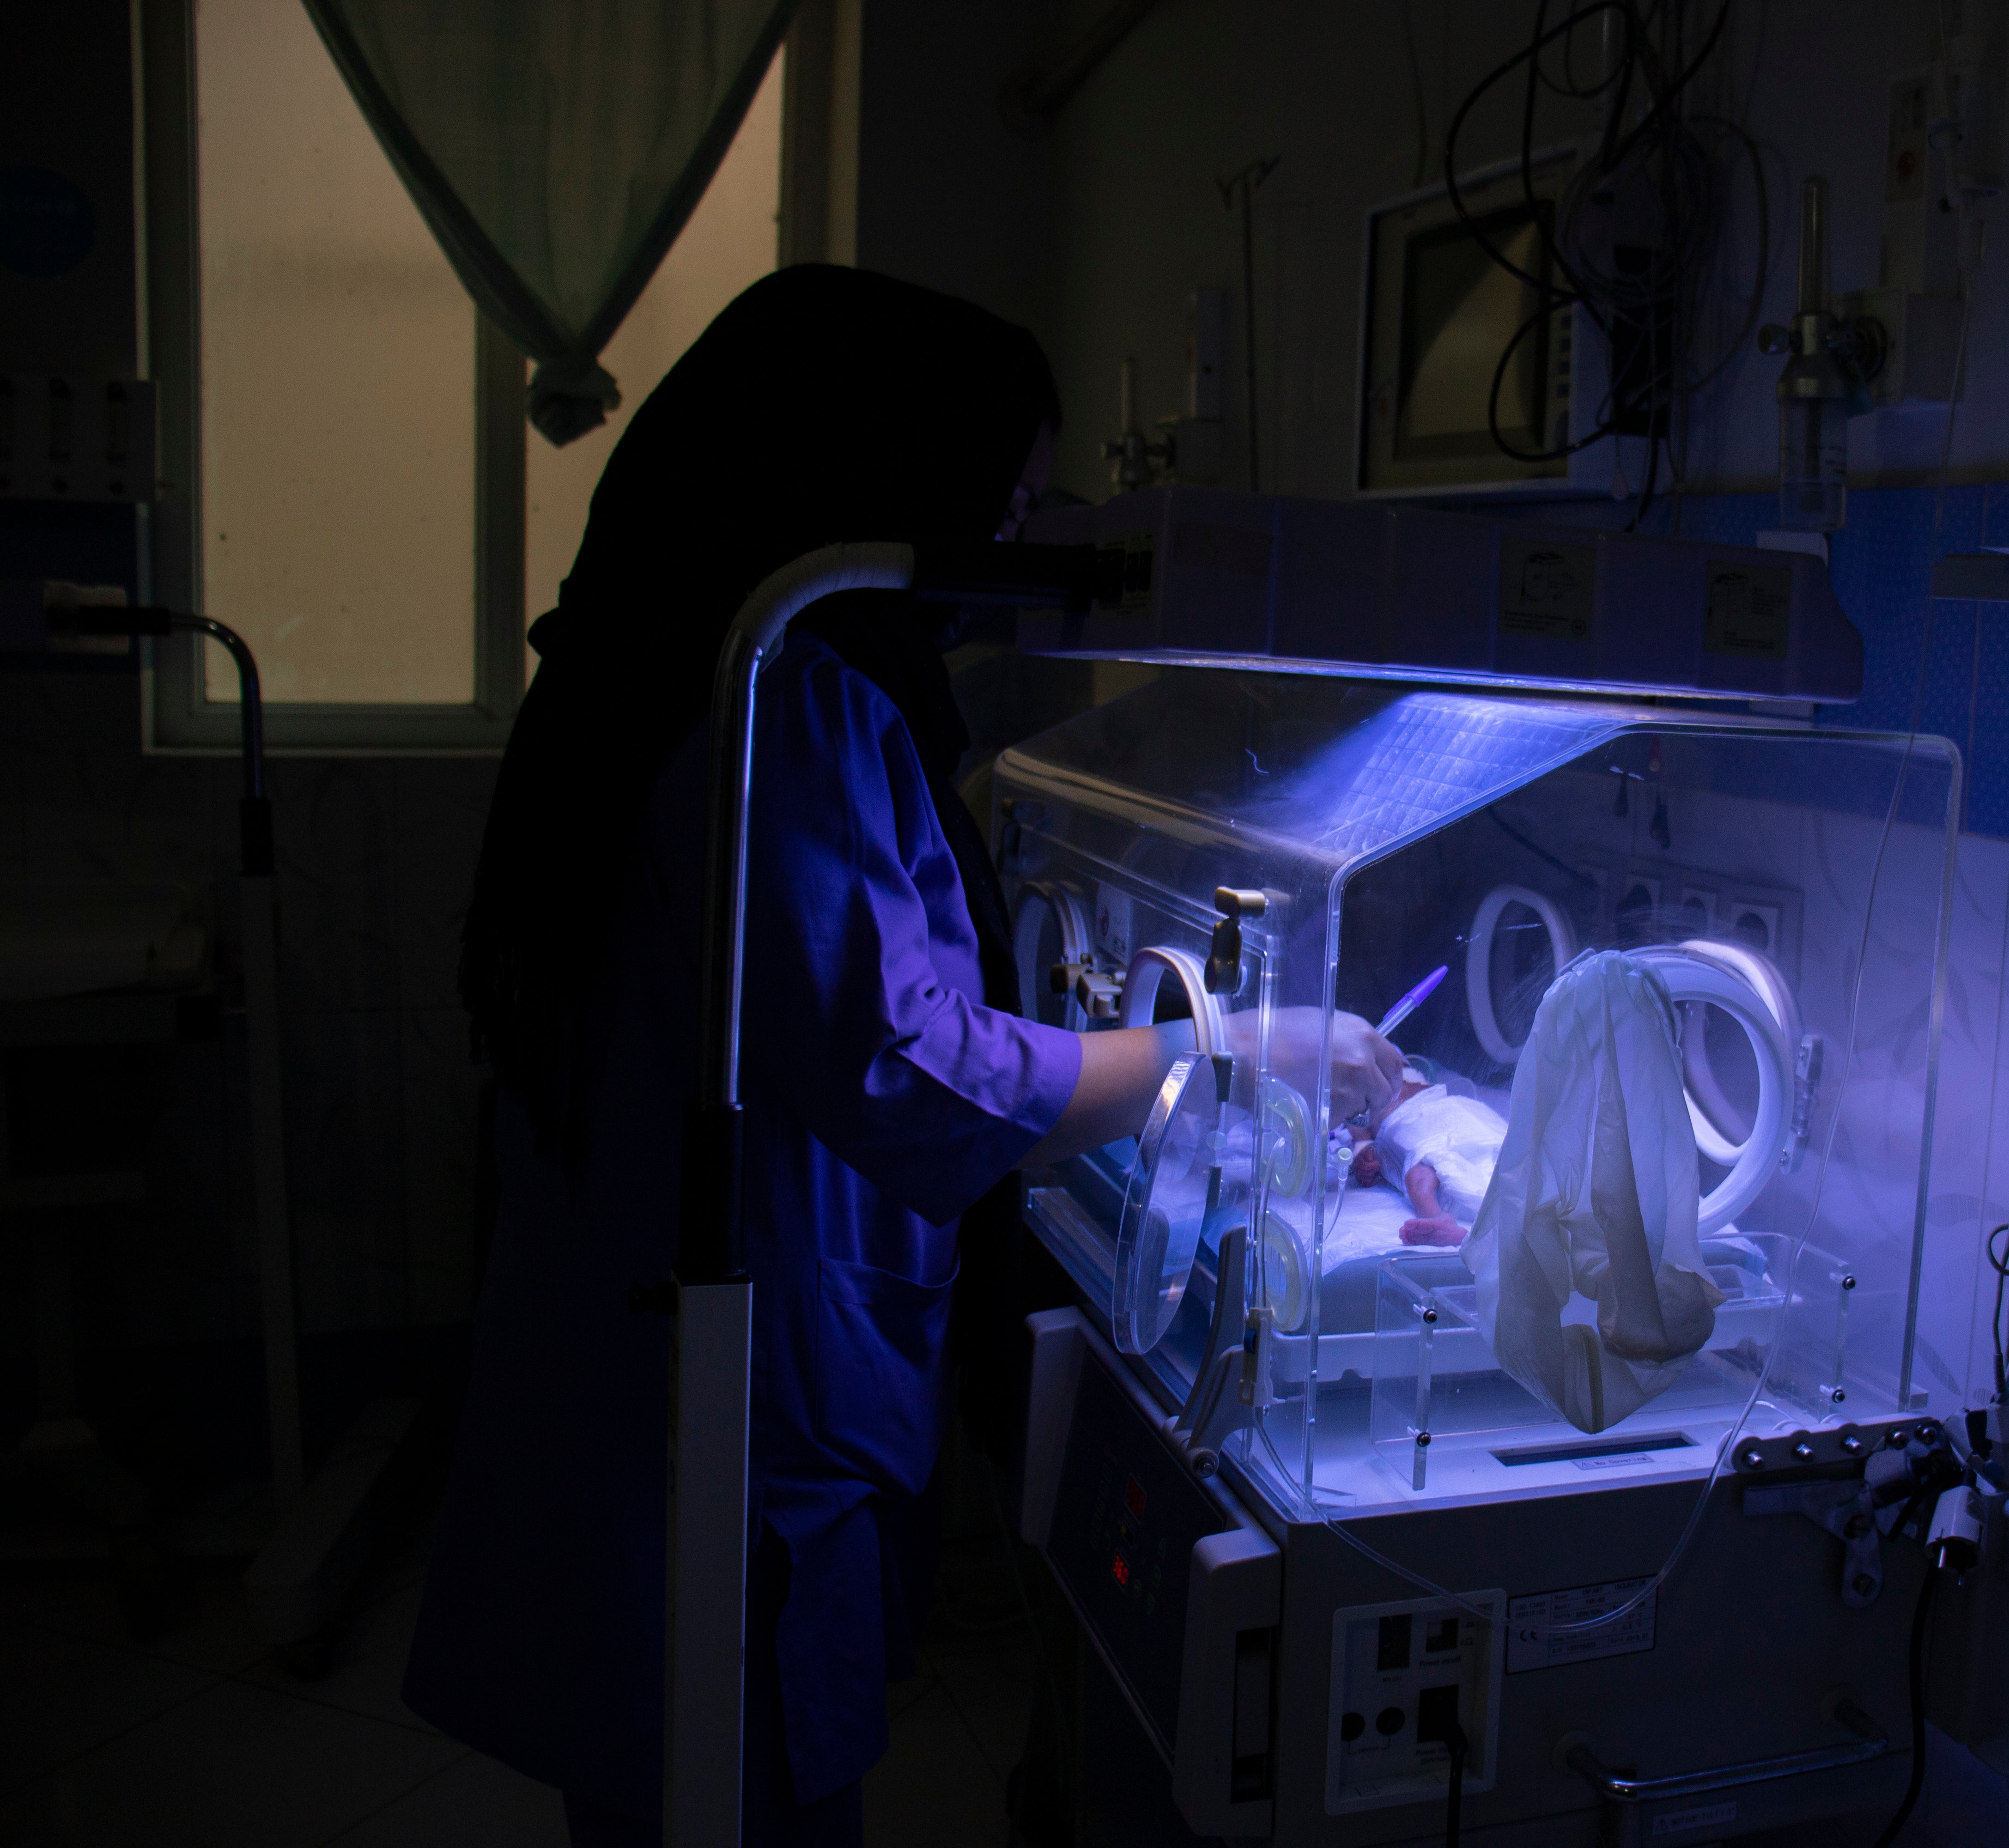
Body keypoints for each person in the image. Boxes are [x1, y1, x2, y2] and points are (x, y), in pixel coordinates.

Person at [410, 266, 1400, 1846]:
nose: (994, 555)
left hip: (639, 1348)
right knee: (734, 1778)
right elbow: (912, 1070)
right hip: (737, 1380)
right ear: (878, 481)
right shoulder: (783, 689)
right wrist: (1233, 1049)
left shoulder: (652, 657)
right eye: (992, 508)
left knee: (666, 1779)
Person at [1348, 1072, 1510, 1246]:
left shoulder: (1415, 1086)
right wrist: (1364, 1156)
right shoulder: (1362, 1100)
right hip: (1420, 1130)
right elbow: (1362, 1141)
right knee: (1422, 1168)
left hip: (1466, 1117)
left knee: (1500, 1153)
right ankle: (1436, 1218)